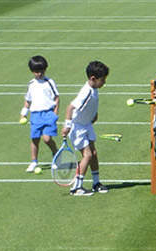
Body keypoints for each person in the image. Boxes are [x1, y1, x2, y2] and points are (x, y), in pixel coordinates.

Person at [63, 60, 109, 196]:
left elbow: (91, 106)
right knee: (87, 155)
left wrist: (94, 115)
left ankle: (96, 183)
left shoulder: (94, 89)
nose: (104, 82)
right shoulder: (86, 92)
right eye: (103, 80)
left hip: (87, 125)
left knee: (93, 154)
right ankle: (76, 187)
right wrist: (67, 125)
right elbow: (70, 107)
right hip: (78, 128)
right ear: (93, 79)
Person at [20, 55, 60, 173]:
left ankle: (56, 155)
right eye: (36, 71)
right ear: (32, 71)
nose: (39, 74)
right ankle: (34, 162)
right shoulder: (31, 84)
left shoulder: (49, 82)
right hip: (35, 115)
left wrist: (55, 114)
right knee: (35, 139)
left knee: (47, 139)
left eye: (41, 71)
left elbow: (57, 97)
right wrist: (23, 114)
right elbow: (28, 100)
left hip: (48, 114)